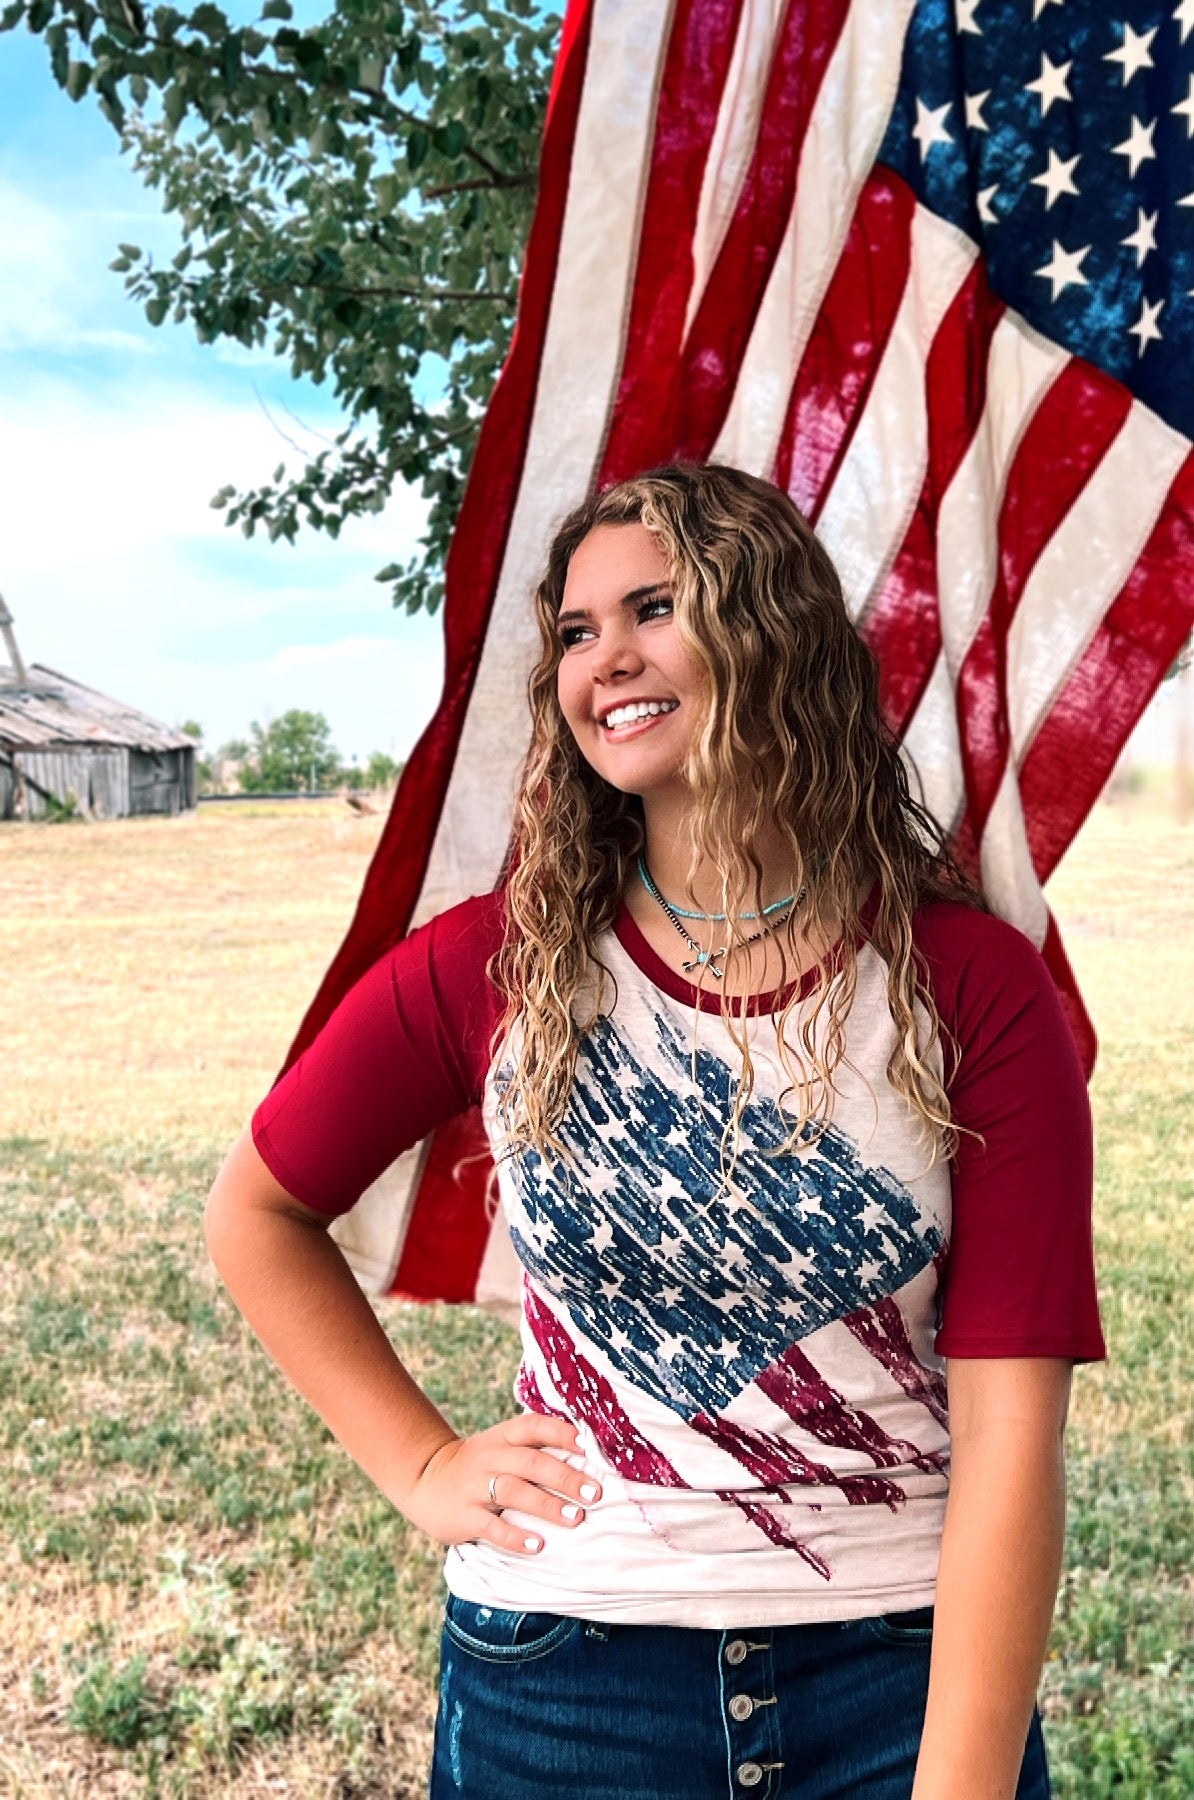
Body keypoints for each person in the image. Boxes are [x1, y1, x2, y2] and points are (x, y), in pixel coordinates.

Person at [205, 463, 1105, 1800]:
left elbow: (1013, 1434)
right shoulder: (492, 968)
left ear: (773, 636)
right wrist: (421, 1463)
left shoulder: (965, 986)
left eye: (654, 609)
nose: (602, 658)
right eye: (574, 632)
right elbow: (257, 1214)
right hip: (561, 1678)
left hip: (900, 1673)